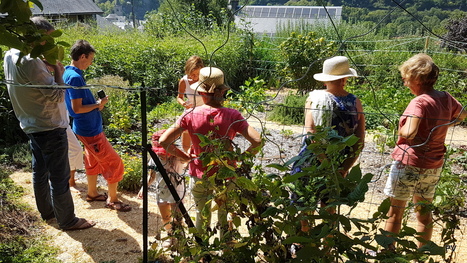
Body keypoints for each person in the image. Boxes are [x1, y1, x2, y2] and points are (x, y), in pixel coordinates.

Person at [4, 17, 95, 230]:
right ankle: (68, 220)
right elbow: (56, 96)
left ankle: (47, 212)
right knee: (59, 176)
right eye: (49, 39)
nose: (52, 44)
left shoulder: (10, 55)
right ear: (39, 37)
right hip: (50, 124)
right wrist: (57, 70)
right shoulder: (31, 61)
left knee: (40, 171)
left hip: (30, 121)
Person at [159, 67, 262, 237]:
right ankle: (226, 251)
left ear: (201, 93)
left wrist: (186, 157)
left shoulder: (190, 114)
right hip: (226, 173)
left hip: (200, 173)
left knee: (202, 215)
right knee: (225, 215)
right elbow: (257, 141)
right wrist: (242, 159)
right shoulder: (233, 115)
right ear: (222, 92)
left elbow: (164, 141)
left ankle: (203, 254)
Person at [383, 53, 467, 248]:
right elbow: (463, 114)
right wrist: (443, 125)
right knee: (424, 212)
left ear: (417, 79)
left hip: (409, 163)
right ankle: (421, 254)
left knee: (396, 211)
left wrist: (399, 128)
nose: (405, 84)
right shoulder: (445, 98)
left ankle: (387, 252)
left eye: (406, 79)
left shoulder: (419, 102)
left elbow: (410, 133)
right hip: (433, 164)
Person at [292, 56, 365, 231]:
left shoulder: (314, 99)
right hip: (339, 161)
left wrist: (323, 160)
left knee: (304, 203)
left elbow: (311, 133)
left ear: (325, 80)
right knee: (330, 206)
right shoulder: (356, 102)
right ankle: (328, 244)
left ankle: (305, 242)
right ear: (345, 79)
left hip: (311, 160)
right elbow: (360, 137)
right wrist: (345, 166)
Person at [64, 39, 131, 212]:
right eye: (91, 59)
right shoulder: (75, 77)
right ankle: (113, 199)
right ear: (83, 56)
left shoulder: (67, 72)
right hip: (89, 129)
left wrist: (95, 103)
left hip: (84, 128)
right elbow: (77, 108)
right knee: (115, 162)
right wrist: (97, 104)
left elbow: (77, 105)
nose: (91, 62)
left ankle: (92, 192)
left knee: (92, 160)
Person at [137, 129, 187, 247]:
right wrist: (144, 187)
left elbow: (186, 160)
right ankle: (169, 235)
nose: (162, 154)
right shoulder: (155, 157)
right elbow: (152, 175)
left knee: (178, 217)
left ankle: (179, 238)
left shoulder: (177, 156)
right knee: (165, 217)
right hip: (161, 191)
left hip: (177, 190)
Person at [176, 55, 205, 153]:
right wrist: (184, 104)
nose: (194, 77)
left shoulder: (206, 80)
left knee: (203, 140)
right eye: (191, 74)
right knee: (185, 139)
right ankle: (188, 158)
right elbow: (179, 97)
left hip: (204, 112)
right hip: (190, 111)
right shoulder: (184, 81)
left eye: (197, 74)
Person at [67, 125, 84, 192]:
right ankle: (71, 182)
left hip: (62, 123)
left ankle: (69, 179)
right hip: (58, 124)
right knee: (75, 150)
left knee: (73, 150)